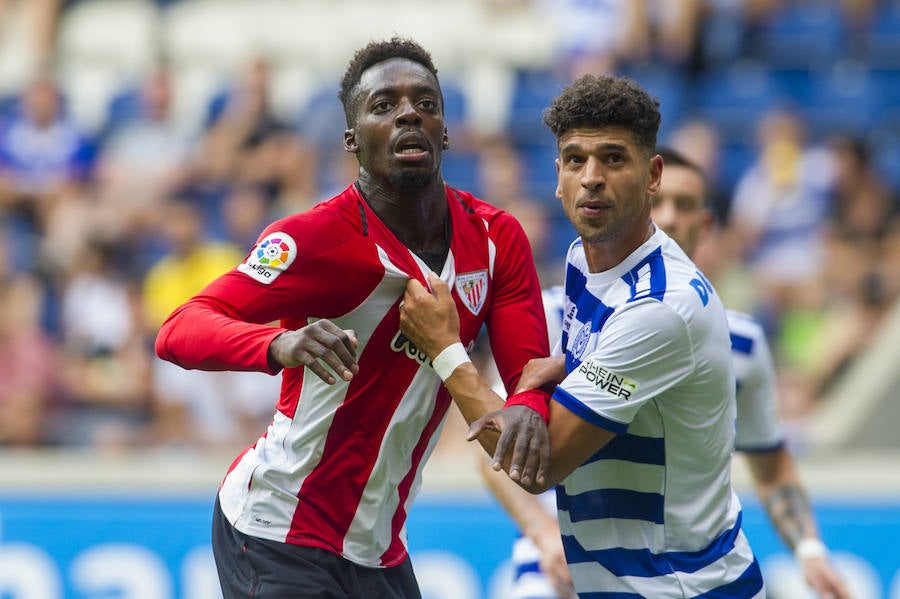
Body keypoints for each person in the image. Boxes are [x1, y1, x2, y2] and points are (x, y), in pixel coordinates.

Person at [154, 36, 550, 598]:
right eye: (384, 106)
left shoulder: (495, 238)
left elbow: (526, 386)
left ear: (444, 130)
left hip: (378, 549)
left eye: (426, 103)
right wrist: (276, 347)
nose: (409, 113)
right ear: (352, 140)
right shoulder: (312, 240)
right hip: (277, 530)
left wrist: (530, 409)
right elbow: (179, 328)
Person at [398, 74, 765, 597]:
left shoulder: (661, 306)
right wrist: (570, 370)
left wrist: (444, 350)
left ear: (653, 174)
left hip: (683, 586)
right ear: (557, 176)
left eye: (613, 159)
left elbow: (536, 467)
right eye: (575, 159)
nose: (591, 177)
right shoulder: (584, 263)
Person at [482, 147, 852, 599]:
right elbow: (494, 445)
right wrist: (541, 534)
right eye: (661, 203)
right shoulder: (558, 311)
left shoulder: (743, 343)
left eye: (687, 204)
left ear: (708, 225)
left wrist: (809, 550)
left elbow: (772, 468)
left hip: (680, 577)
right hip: (558, 566)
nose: (672, 217)